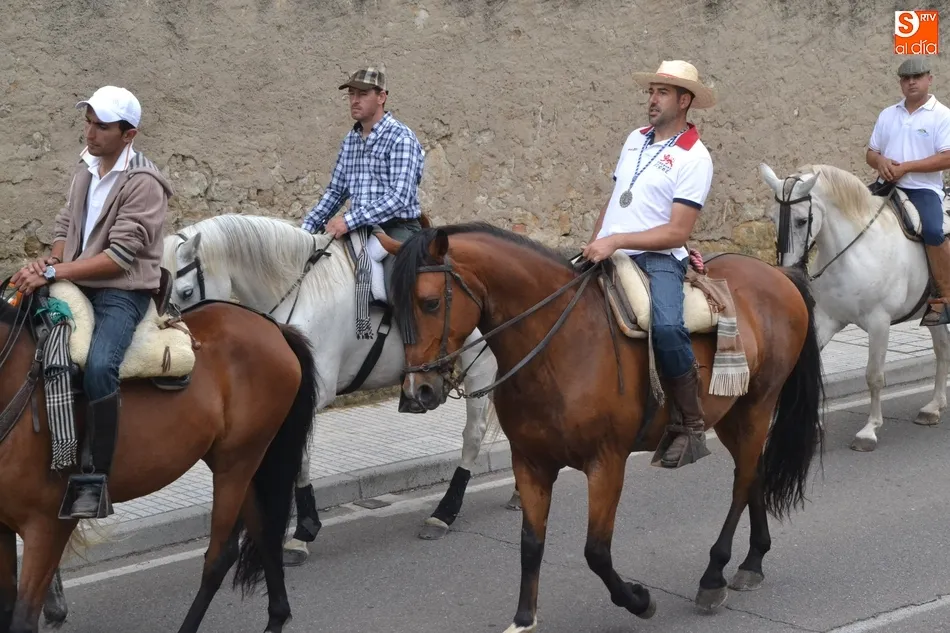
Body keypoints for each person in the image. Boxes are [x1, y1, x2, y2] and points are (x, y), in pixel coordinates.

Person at [10, 85, 173, 517]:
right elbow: (66, 224)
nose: (90, 133)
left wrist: (53, 272)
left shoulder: (145, 183)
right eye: (88, 122)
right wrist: (53, 259)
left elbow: (119, 257)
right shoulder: (86, 167)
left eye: (101, 126)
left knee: (100, 366)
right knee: (17, 326)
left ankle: (96, 475)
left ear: (129, 134)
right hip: (77, 281)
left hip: (122, 291)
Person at [582, 60, 716, 469]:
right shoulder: (635, 139)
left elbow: (677, 232)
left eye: (662, 92)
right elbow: (616, 198)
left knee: (668, 327)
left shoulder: (695, 157)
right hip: (610, 248)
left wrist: (618, 240)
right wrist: (597, 239)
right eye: (651, 91)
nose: (652, 99)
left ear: (684, 100)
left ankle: (690, 424)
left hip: (659, 258)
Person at [301, 66, 426, 247]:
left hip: (397, 228)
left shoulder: (401, 137)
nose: (355, 100)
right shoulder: (350, 140)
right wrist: (305, 231)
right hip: (359, 227)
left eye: (363, 94)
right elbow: (336, 192)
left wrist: (347, 221)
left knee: (397, 266)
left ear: (381, 97)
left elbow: (399, 197)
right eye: (351, 94)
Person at [867, 56, 950, 326]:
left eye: (917, 77)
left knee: (933, 230)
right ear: (901, 83)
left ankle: (945, 297)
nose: (911, 82)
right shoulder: (888, 114)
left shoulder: (942, 115)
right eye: (906, 78)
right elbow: (871, 153)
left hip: (922, 190)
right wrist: (880, 162)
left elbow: (947, 157)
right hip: (887, 186)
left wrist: (908, 167)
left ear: (929, 79)